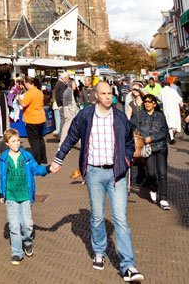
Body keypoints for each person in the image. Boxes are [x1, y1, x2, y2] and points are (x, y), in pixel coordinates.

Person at [50, 82, 144, 282]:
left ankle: (128, 265)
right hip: (94, 172)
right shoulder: (85, 116)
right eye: (104, 93)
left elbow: (129, 141)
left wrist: (126, 160)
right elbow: (70, 137)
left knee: (121, 219)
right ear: (95, 96)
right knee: (98, 216)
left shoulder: (119, 117)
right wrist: (58, 159)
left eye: (110, 93)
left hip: (116, 173)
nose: (109, 97)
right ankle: (99, 251)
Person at [0, 128, 51, 265]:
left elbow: (36, 169)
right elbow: (1, 177)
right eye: (13, 141)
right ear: (7, 143)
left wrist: (47, 169)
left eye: (18, 141)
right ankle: (16, 252)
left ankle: (27, 242)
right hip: (11, 196)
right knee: (14, 226)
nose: (17, 143)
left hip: (26, 196)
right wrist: (1, 193)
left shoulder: (27, 156)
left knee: (27, 225)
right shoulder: (3, 159)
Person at [131, 94, 169, 210]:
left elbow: (164, 131)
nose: (147, 103)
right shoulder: (138, 115)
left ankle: (163, 198)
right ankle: (153, 188)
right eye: (145, 101)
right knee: (151, 174)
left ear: (154, 104)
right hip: (147, 149)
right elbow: (130, 126)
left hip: (161, 147)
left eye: (150, 101)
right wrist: (134, 135)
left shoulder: (160, 116)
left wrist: (152, 138)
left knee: (162, 173)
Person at [18, 77, 47, 164]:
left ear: (27, 83)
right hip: (41, 118)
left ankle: (37, 159)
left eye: (24, 83)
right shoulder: (39, 92)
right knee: (40, 138)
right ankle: (43, 158)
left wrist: (18, 98)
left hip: (32, 119)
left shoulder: (29, 93)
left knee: (34, 140)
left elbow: (23, 104)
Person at [58, 79, 78, 149]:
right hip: (69, 113)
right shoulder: (68, 91)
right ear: (71, 84)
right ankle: (62, 144)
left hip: (70, 113)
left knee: (68, 128)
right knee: (66, 129)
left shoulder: (69, 91)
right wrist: (72, 110)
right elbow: (67, 103)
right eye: (74, 84)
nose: (76, 85)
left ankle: (64, 144)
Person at [54, 72, 69, 138]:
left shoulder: (59, 83)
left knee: (62, 121)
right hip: (62, 106)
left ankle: (61, 135)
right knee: (63, 121)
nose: (68, 80)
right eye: (67, 78)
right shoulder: (62, 84)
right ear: (65, 78)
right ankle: (62, 135)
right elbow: (62, 96)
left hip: (60, 105)